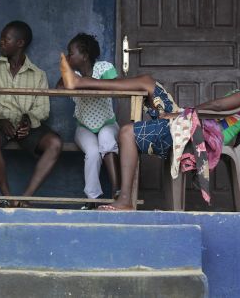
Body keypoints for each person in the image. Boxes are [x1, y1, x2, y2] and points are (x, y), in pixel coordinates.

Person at [60, 52, 180, 210]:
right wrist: (184, 113)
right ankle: (78, 82)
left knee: (127, 131)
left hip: (175, 125)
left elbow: (209, 108)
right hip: (170, 122)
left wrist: (184, 114)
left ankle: (124, 200)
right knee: (144, 82)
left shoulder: (105, 68)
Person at [0, 21, 62, 207]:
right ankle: (9, 198)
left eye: (6, 39)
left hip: (27, 127)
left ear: (20, 43)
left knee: (55, 143)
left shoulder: (38, 74)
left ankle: (25, 199)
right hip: (1, 124)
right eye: (1, 38)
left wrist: (28, 121)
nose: (1, 42)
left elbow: (43, 108)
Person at [57, 33, 120, 208]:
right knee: (92, 152)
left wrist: (82, 82)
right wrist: (66, 70)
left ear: (84, 55)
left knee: (106, 140)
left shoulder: (104, 68)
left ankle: (117, 190)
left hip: (108, 123)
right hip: (83, 127)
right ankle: (92, 198)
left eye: (71, 53)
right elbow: (59, 88)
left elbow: (114, 86)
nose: (68, 56)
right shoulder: (73, 74)